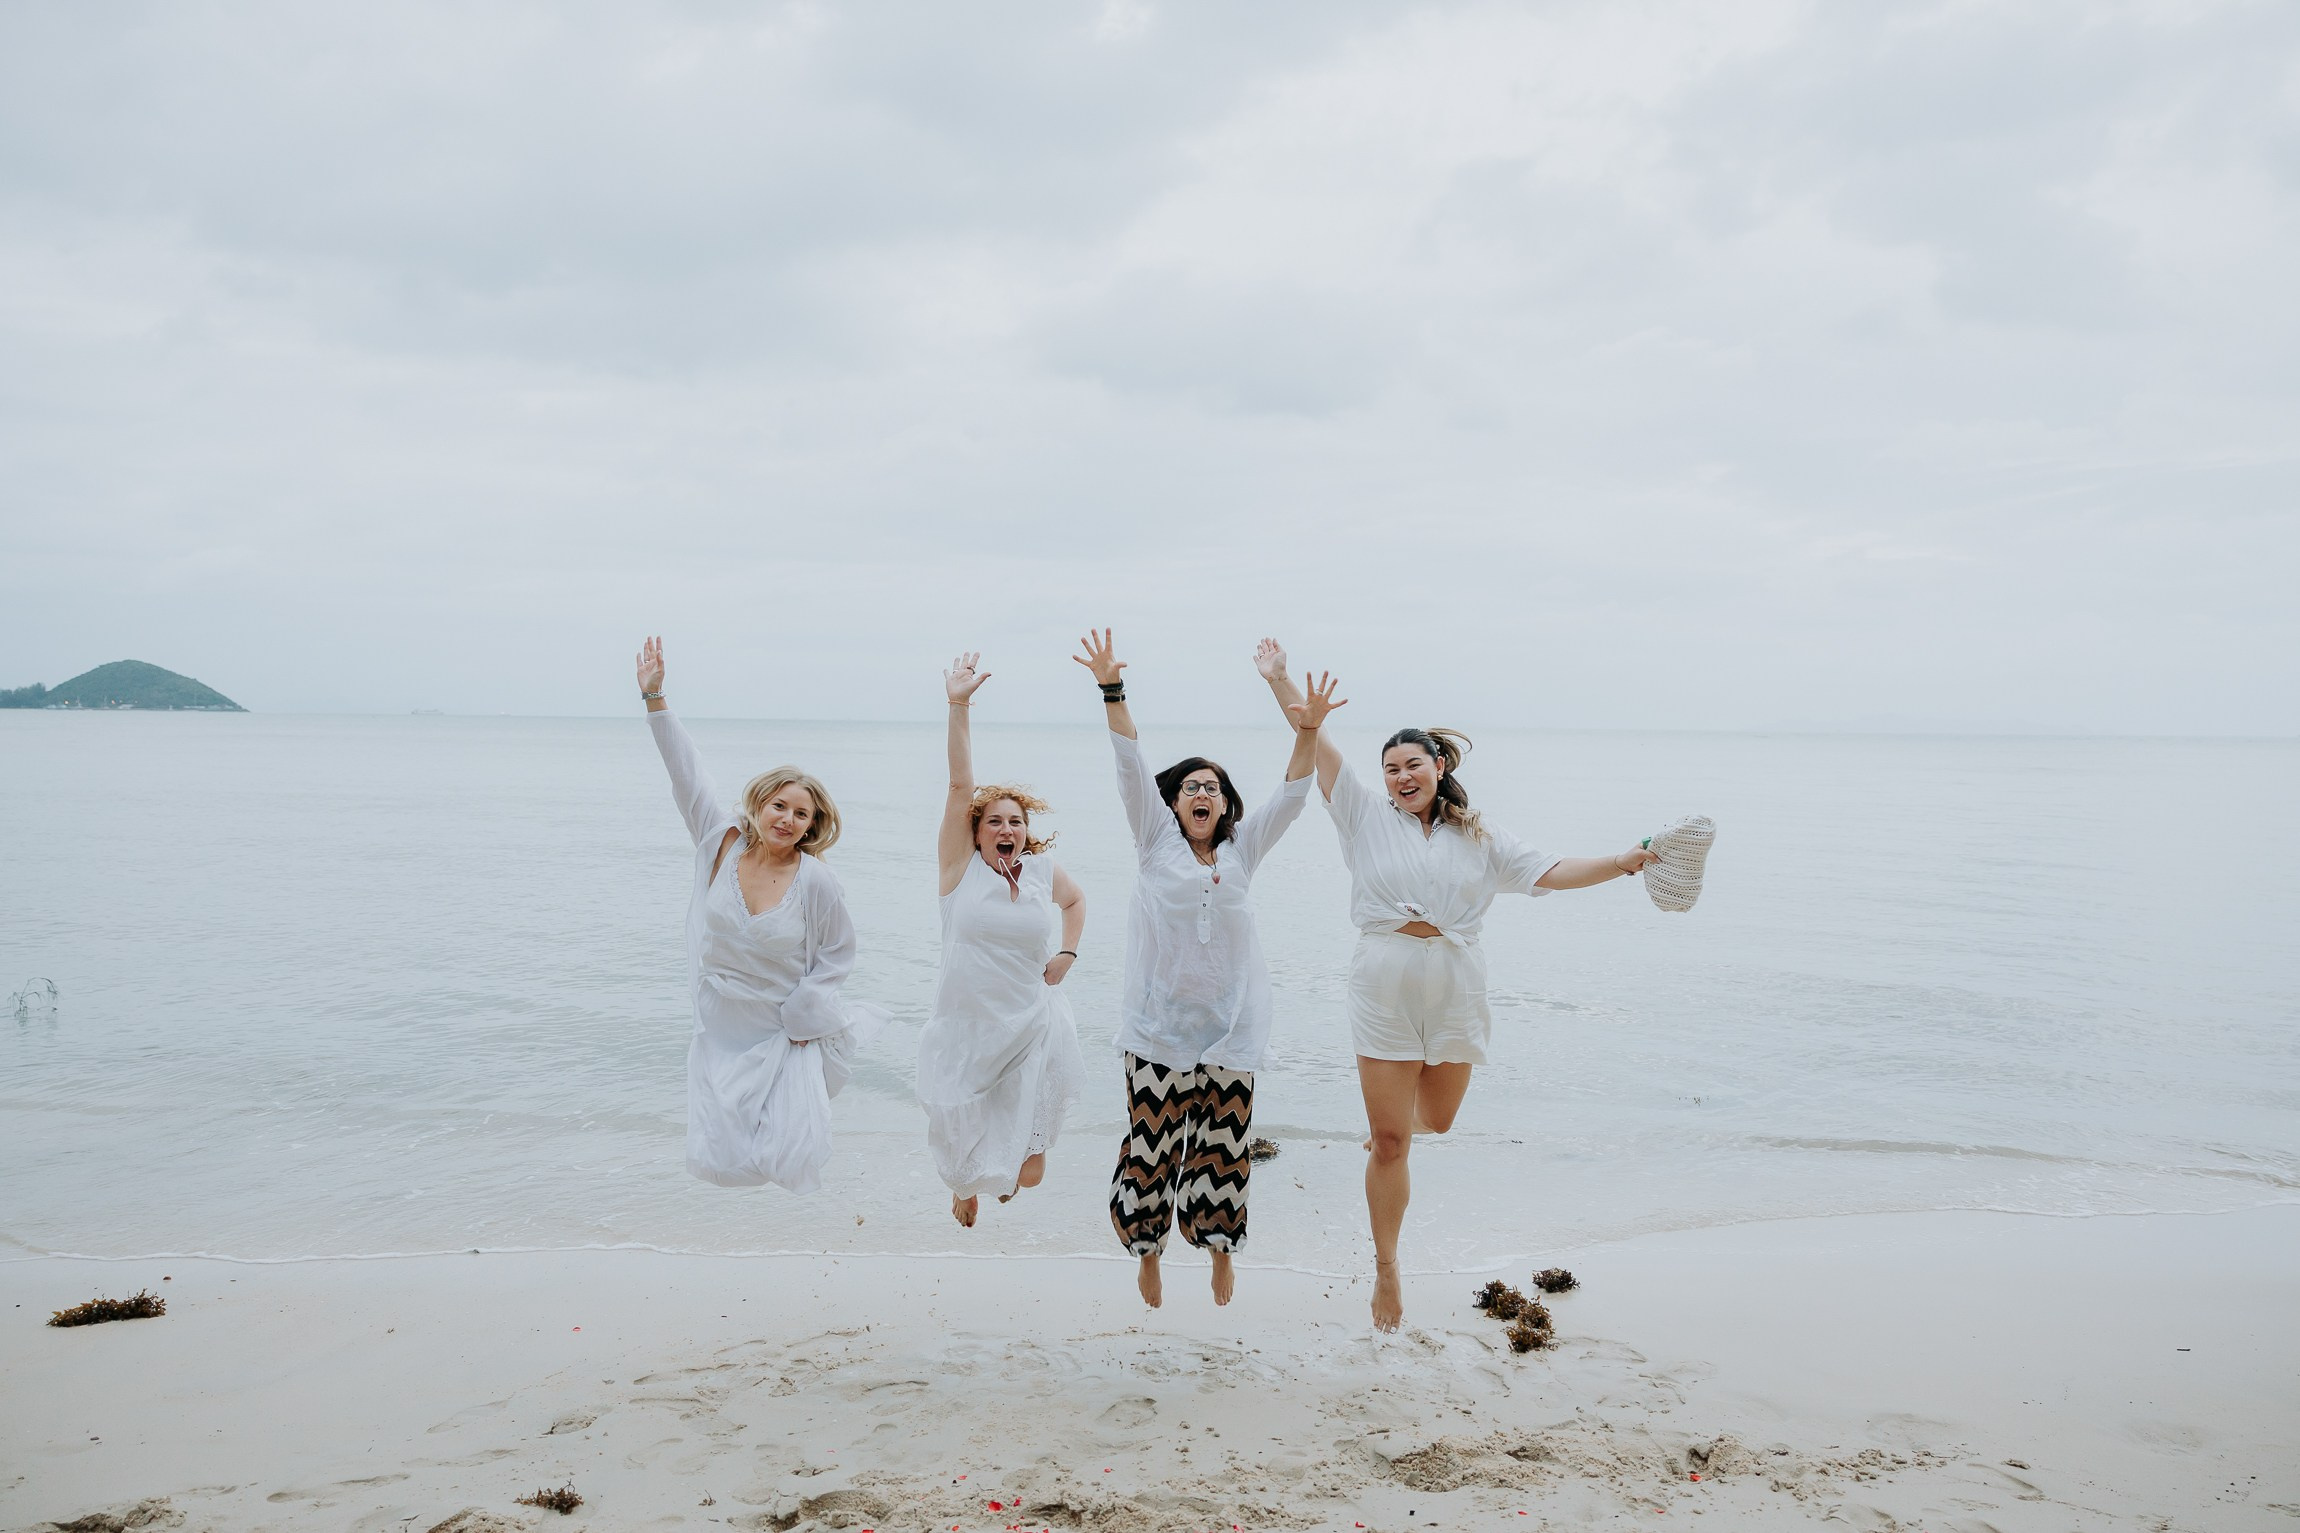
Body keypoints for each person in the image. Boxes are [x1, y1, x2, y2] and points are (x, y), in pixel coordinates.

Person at [1260, 644, 1658, 1332]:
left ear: (1439, 767)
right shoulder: (1361, 815)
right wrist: (1280, 683)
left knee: (1436, 1121)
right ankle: (1387, 1265)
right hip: (1382, 982)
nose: (1400, 775)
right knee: (1392, 1142)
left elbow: (1553, 870)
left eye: (1413, 763)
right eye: (1390, 768)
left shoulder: (1481, 835)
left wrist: (1622, 862)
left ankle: (1394, 1122)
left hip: (1455, 986)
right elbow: (1316, 740)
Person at [1073, 628, 1346, 1308]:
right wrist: (1112, 686)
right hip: (1157, 1030)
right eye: (1191, 784)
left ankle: (1221, 1248)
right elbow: (1129, 760)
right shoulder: (1154, 841)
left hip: (1230, 1031)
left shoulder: (1243, 850)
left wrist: (1306, 728)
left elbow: (1293, 791)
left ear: (1225, 805)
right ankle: (1148, 1249)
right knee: (1151, 1151)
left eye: (1214, 786)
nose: (1202, 790)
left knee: (1224, 1151)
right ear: (1173, 802)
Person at [635, 636, 885, 1196]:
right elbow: (686, 774)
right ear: (759, 802)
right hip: (722, 1020)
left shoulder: (816, 880)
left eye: (801, 814)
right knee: (722, 1158)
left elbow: (838, 953)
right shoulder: (720, 843)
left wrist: (808, 1007)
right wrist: (656, 699)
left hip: (781, 1026)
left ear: (811, 825)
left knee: (791, 1152)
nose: (788, 819)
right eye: (780, 805)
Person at [918, 652, 1089, 1228]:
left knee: (1029, 1174)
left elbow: (1077, 902)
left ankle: (993, 1178)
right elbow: (959, 783)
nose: (1007, 829)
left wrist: (1067, 952)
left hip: (1031, 1023)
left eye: (1015, 821)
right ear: (975, 832)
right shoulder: (958, 873)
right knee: (962, 1155)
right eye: (994, 821)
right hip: (967, 1026)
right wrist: (959, 705)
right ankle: (965, 1188)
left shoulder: (1042, 874)